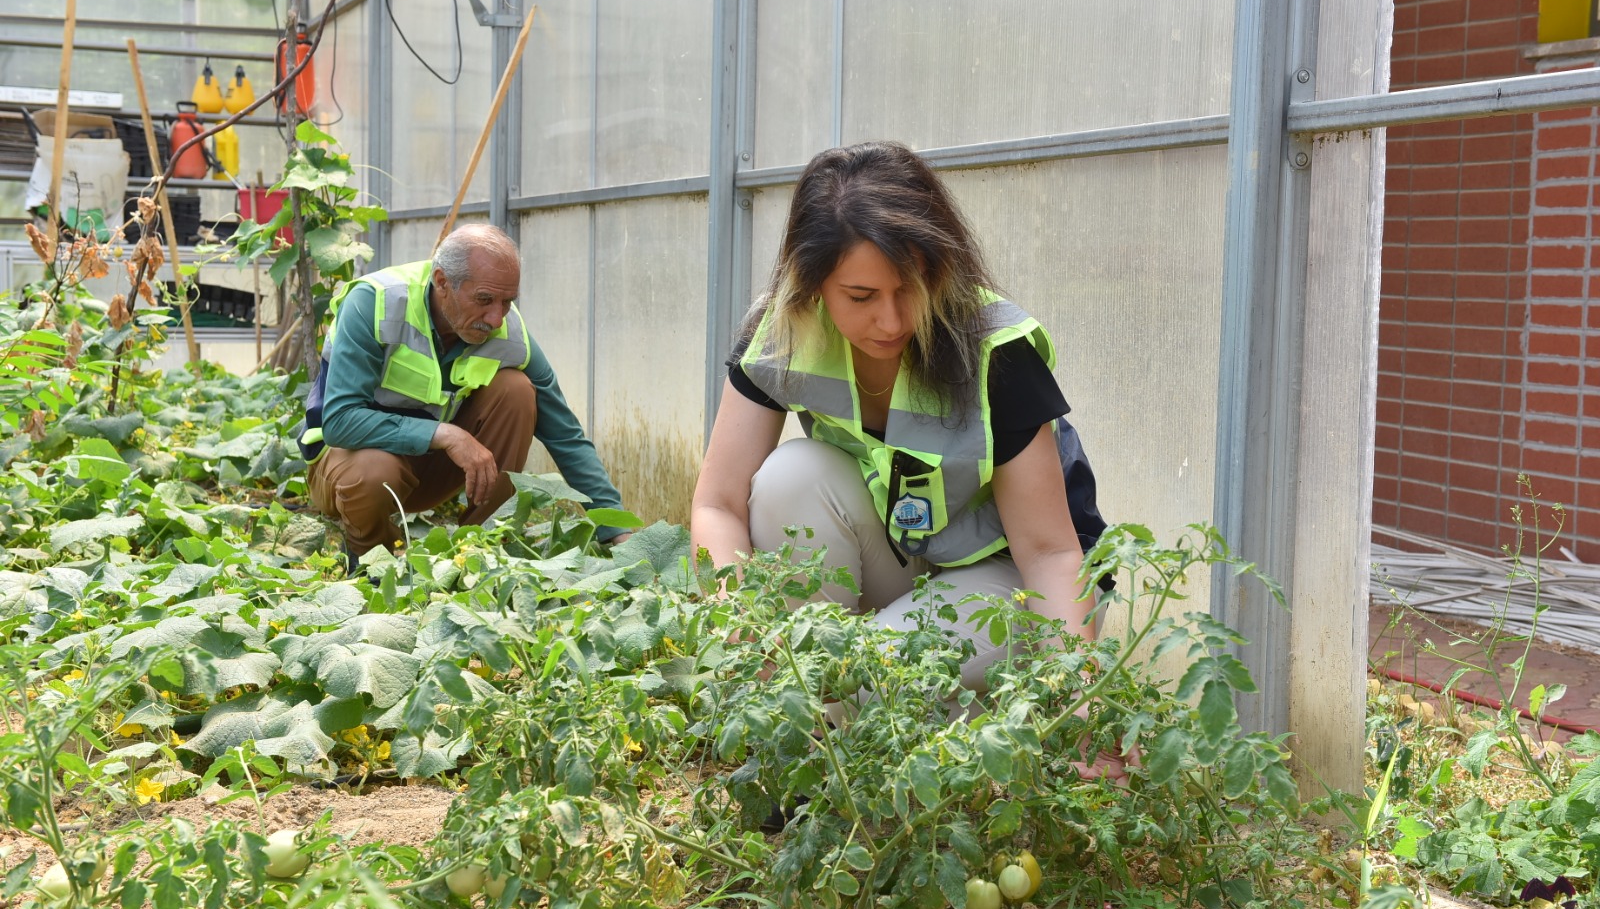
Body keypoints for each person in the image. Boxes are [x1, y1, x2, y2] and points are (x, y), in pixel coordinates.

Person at [690, 142, 1107, 695]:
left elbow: (1050, 552)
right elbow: (716, 504)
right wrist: (741, 629)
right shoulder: (783, 331)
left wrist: (1077, 701)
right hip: (912, 558)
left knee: (868, 679)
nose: (890, 320)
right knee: (792, 476)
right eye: (860, 296)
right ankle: (825, 710)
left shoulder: (994, 350)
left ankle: (941, 713)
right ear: (812, 284)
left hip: (1018, 579)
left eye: (910, 287)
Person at [299, 223, 628, 564]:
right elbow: (339, 421)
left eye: (507, 302)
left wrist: (617, 530)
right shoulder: (376, 303)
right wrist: (447, 434)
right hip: (348, 464)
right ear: (442, 282)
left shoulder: (507, 332)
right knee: (373, 469)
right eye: (485, 300)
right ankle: (371, 560)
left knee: (517, 391)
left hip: (428, 470)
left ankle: (480, 553)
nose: (497, 318)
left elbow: (566, 436)